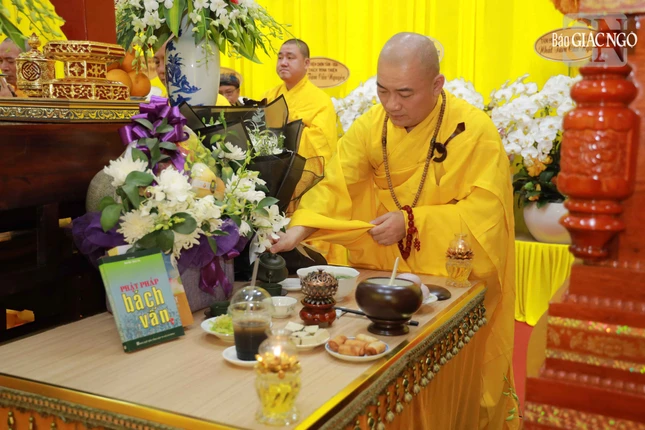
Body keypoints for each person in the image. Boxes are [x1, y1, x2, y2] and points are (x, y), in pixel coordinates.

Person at [270, 32, 517, 430]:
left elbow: (486, 214)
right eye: (382, 90)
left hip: (449, 279)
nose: (392, 104)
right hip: (386, 276)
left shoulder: (474, 131)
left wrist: (413, 221)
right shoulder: (373, 126)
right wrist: (300, 228)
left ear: (437, 85)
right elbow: (336, 184)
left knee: (446, 386)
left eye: (405, 93)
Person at [262, 38, 345, 265]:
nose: (283, 62)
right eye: (280, 57)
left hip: (304, 184)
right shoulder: (270, 95)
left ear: (307, 63)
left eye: (290, 57)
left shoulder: (320, 101)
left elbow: (321, 146)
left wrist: (286, 132)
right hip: (274, 181)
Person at [153, 39, 230, 106]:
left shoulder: (216, 103)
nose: (161, 70)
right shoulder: (159, 105)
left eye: (168, 60)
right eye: (157, 62)